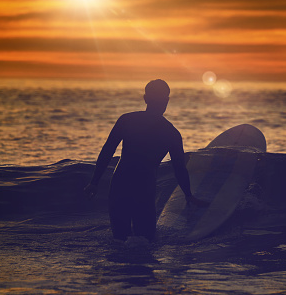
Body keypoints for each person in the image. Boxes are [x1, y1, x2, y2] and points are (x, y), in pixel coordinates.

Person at [84, 79, 204, 243]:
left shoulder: (126, 120)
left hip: (120, 183)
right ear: (167, 100)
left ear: (145, 98)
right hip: (144, 187)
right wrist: (188, 195)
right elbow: (179, 168)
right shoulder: (172, 133)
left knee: (120, 241)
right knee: (145, 243)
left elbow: (107, 150)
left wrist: (94, 182)